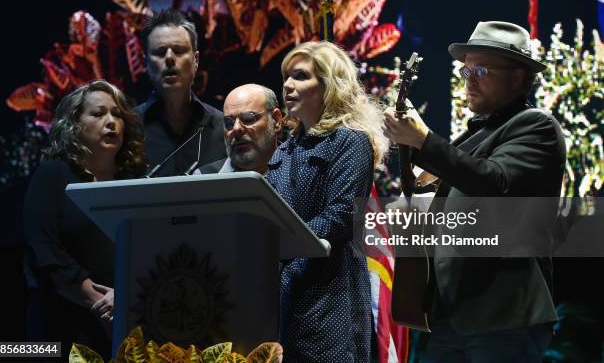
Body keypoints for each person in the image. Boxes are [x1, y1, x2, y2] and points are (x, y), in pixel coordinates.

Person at [383, 21, 566, 362]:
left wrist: (423, 140)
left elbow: (494, 184)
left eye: (482, 69)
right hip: (451, 316)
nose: (469, 80)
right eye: (466, 71)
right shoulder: (474, 136)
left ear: (518, 77)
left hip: (502, 316)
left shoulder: (536, 126)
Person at [266, 41, 389, 362]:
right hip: (287, 297)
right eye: (286, 77)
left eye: (300, 76)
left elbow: (341, 215)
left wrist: (280, 243)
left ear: (329, 85)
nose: (288, 85)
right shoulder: (285, 150)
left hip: (332, 297)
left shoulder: (350, 140)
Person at [23, 80, 147, 357]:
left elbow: (147, 247)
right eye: (98, 113)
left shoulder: (133, 181)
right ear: (76, 124)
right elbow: (44, 250)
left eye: (117, 114)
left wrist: (123, 296)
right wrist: (99, 302)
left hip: (122, 319)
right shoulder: (52, 175)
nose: (111, 121)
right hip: (59, 325)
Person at [137, 8, 226, 176]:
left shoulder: (223, 128)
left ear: (196, 60)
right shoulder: (128, 129)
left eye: (178, 51)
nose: (170, 58)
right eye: (160, 52)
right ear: (146, 62)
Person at [197, 83, 282, 174]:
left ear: (276, 120)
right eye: (229, 123)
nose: (236, 128)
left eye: (248, 118)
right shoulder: (203, 178)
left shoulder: (296, 169)